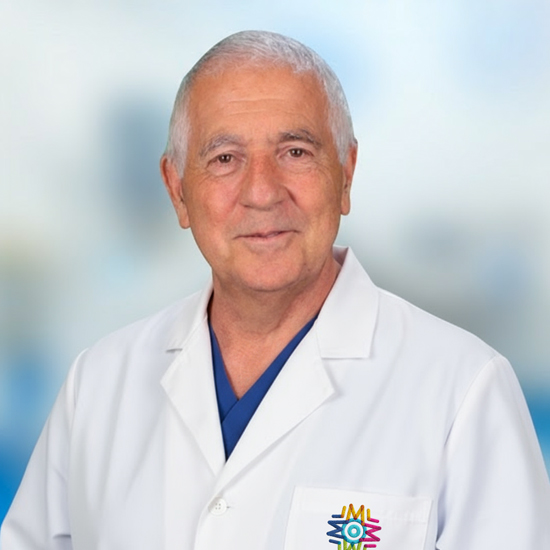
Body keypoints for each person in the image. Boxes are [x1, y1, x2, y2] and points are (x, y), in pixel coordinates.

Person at [1, 30, 549, 550]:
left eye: (295, 152)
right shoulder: (99, 384)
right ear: (177, 190)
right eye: (224, 159)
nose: (262, 192)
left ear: (346, 173)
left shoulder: (464, 390)